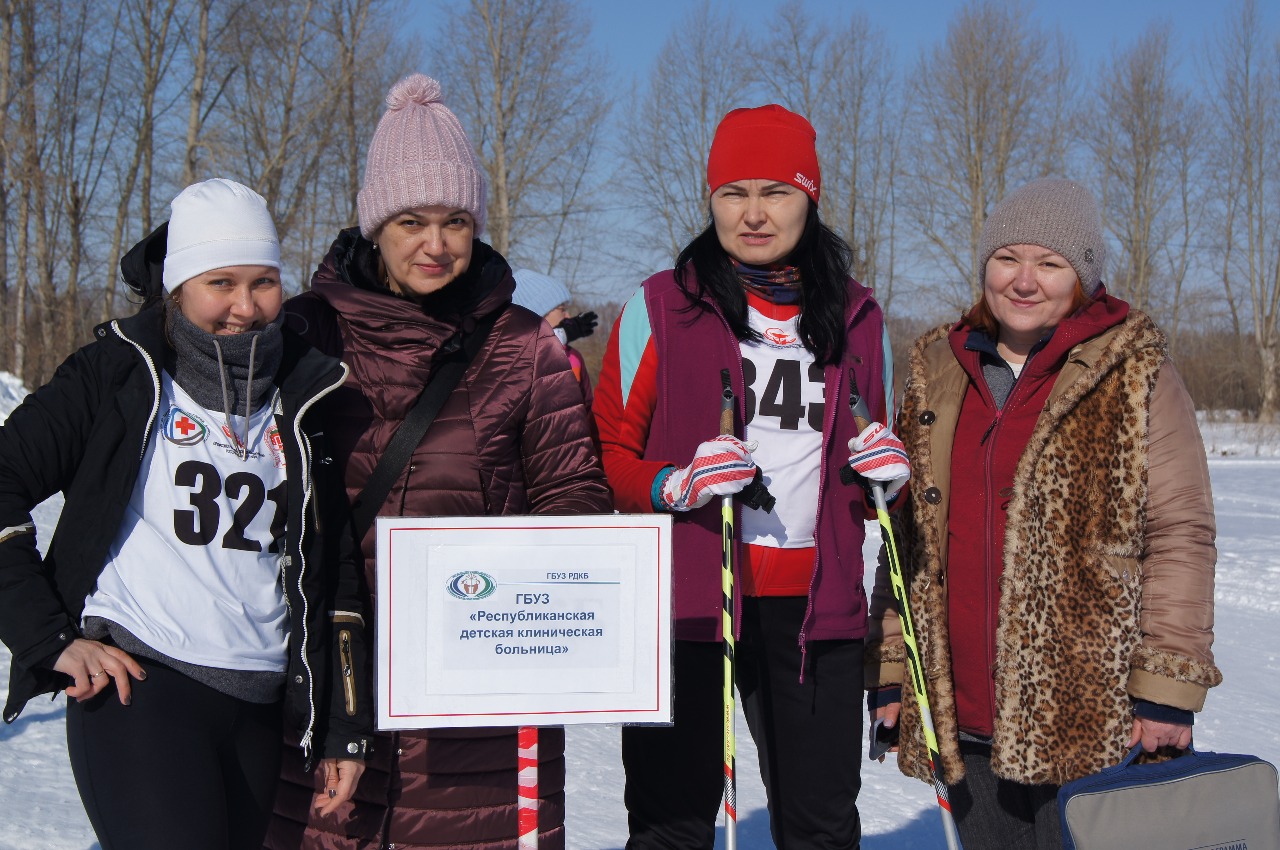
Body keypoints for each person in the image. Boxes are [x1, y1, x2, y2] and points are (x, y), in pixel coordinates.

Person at [263, 74, 610, 850]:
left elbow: (573, 494)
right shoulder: (305, 335)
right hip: (329, 674)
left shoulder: (522, 348)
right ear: (374, 222)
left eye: (456, 220)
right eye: (412, 220)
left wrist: (525, 600)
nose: (437, 244)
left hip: (475, 694)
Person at [0, 178, 371, 850]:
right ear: (178, 288)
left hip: (256, 704)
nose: (244, 306)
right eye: (220, 282)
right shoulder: (119, 374)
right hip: (143, 690)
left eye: (262, 282)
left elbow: (333, 568)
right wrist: (46, 639)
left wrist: (343, 723)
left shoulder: (303, 396)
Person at [866, 178, 1221, 849]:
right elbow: (904, 535)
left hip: (1090, 714)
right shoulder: (936, 369)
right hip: (962, 710)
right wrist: (889, 666)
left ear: (1083, 277)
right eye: (1008, 258)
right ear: (984, 267)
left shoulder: (1133, 368)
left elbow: (1180, 534)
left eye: (1052, 264)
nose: (1025, 281)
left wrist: (1168, 687)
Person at [594, 103, 908, 850]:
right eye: (734, 192)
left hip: (814, 611)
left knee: (821, 826)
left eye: (777, 191)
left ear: (811, 197)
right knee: (671, 826)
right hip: (690, 605)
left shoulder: (859, 316)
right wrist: (675, 483)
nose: (754, 213)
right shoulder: (662, 305)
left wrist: (885, 481)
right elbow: (604, 453)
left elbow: (870, 461)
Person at [512, 267, 598, 413]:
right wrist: (563, 334)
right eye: (561, 309)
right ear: (538, 314)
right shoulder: (514, 359)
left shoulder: (574, 357)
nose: (568, 315)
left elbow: (588, 405)